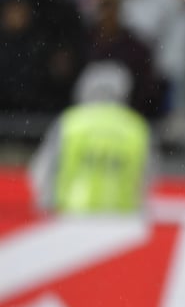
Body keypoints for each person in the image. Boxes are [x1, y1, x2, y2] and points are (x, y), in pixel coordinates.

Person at [28, 61, 156, 214]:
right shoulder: (136, 128)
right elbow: (150, 176)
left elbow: (42, 171)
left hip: (74, 216)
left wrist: (47, 202)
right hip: (122, 219)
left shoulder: (70, 123)